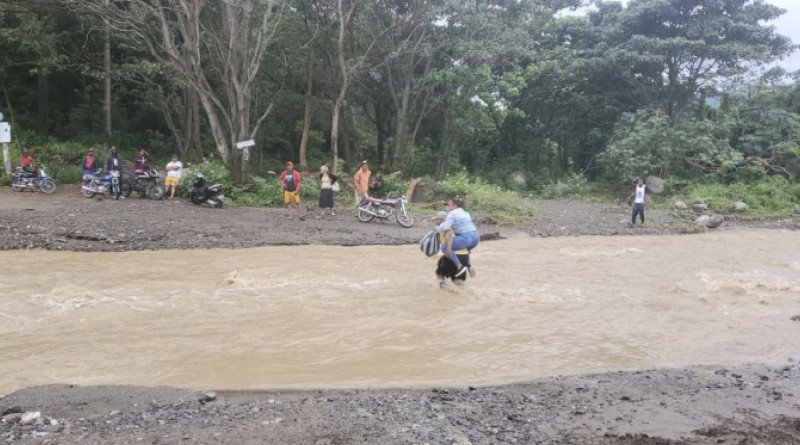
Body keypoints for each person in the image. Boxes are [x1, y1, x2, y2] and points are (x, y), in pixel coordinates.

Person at [435, 198, 480, 278]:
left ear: (455, 205)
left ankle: (459, 266)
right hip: (476, 237)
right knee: (464, 248)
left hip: (466, 237)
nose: (448, 207)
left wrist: (435, 229)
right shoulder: (466, 213)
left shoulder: (452, 213)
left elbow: (446, 227)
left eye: (449, 205)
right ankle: (469, 266)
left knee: (444, 247)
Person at [433, 211, 474, 286]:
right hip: (464, 256)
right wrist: (469, 249)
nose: (435, 221)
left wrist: (448, 250)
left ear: (441, 220)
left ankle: (444, 290)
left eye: (436, 219)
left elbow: (448, 236)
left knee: (439, 273)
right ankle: (468, 266)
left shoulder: (443, 228)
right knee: (458, 282)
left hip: (452, 255)